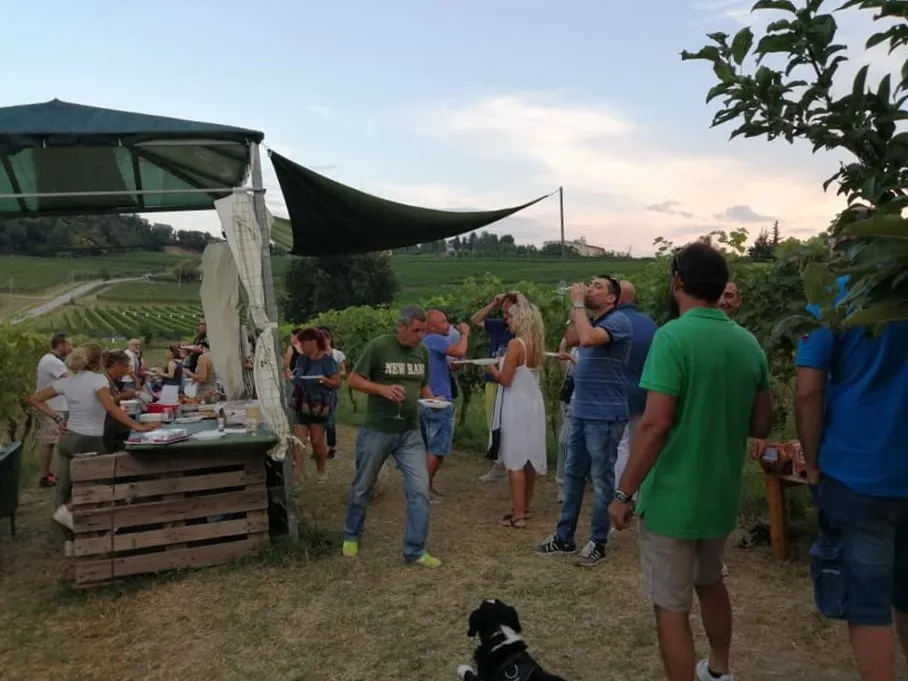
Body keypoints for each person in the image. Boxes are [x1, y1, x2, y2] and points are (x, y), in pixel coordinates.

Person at [608, 242, 772, 681]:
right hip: (720, 497)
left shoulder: (672, 337)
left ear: (678, 281)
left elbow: (655, 425)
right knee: (711, 581)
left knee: (671, 607)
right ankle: (719, 670)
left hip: (672, 500)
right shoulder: (747, 343)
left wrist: (623, 493)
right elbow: (761, 422)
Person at [795, 272, 908, 681]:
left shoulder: (835, 294)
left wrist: (811, 462)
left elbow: (809, 390)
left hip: (859, 472)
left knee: (868, 604)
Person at [536, 275, 631, 568]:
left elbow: (588, 339)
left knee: (601, 480)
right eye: (589, 284)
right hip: (581, 410)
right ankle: (564, 537)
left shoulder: (618, 321)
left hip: (605, 414)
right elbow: (573, 338)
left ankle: (598, 542)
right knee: (573, 475)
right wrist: (576, 310)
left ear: (612, 298)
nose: (590, 288)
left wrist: (578, 303)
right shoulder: (592, 320)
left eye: (598, 286)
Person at [342, 306, 440, 568]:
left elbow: (423, 386)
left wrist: (432, 401)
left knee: (420, 490)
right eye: (416, 330)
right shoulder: (379, 346)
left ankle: (415, 550)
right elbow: (353, 380)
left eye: (424, 331)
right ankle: (351, 535)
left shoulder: (422, 352)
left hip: (410, 432)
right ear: (401, 327)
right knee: (363, 485)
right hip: (378, 429)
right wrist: (381, 389)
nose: (421, 336)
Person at [26, 344, 157, 536]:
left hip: (67, 439)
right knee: (107, 481)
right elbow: (110, 407)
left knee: (65, 485)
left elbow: (34, 399)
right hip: (88, 438)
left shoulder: (67, 381)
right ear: (99, 361)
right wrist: (137, 426)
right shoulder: (98, 380)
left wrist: (57, 418)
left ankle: (67, 529)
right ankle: (81, 517)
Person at [488, 300, 547, 528]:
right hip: (534, 403)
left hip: (516, 405)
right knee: (529, 457)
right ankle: (525, 507)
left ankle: (518, 514)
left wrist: (493, 369)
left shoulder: (516, 344)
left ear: (520, 319)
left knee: (515, 457)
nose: (508, 321)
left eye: (511, 317)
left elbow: (506, 379)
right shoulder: (537, 345)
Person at [470, 292, 519, 483]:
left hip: (512, 382)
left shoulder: (521, 330)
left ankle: (507, 464)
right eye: (503, 307)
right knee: (494, 423)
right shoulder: (498, 325)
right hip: (493, 380)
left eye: (509, 307)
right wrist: (492, 303)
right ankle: (499, 463)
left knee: (509, 424)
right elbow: (475, 319)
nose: (504, 311)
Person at [422, 310, 470, 501]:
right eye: (443, 322)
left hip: (425, 399)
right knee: (438, 448)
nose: (447, 325)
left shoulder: (422, 342)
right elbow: (460, 352)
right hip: (440, 401)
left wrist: (448, 366)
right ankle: (424, 489)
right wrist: (465, 333)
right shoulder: (435, 339)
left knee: (427, 447)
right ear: (432, 327)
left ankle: (424, 487)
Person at [613, 280, 657, 490]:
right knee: (638, 446)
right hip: (644, 394)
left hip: (617, 394)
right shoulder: (649, 323)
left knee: (620, 447)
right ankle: (638, 491)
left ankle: (620, 492)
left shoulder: (613, 322)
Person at [290, 328, 341, 484]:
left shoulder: (328, 361)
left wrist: (324, 380)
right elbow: (297, 375)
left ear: (313, 342)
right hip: (302, 403)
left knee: (317, 442)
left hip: (319, 406)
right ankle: (295, 476)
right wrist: (292, 377)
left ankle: (321, 470)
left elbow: (337, 383)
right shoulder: (302, 359)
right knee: (298, 441)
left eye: (303, 343)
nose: (301, 346)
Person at [34, 333, 72, 487]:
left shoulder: (50, 360)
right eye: (69, 345)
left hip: (54, 405)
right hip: (52, 407)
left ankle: (48, 473)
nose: (71, 348)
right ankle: (44, 477)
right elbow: (70, 378)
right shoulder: (53, 361)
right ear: (61, 345)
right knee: (50, 442)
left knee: (51, 442)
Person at [554, 334, 579, 504]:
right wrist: (564, 349)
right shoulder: (576, 348)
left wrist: (571, 358)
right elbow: (566, 373)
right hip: (569, 397)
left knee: (566, 440)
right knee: (565, 441)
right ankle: (562, 483)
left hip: (580, 400)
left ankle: (566, 481)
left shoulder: (591, 348)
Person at [318, 326, 346, 460]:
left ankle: (332, 447)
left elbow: (343, 371)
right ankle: (319, 447)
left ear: (329, 339)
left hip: (332, 390)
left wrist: (332, 375)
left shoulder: (337, 354)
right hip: (318, 389)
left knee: (330, 420)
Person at [102, 350, 138, 453]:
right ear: (116, 365)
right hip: (105, 426)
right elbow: (104, 402)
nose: (127, 370)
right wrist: (122, 396)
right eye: (125, 366)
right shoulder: (103, 379)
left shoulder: (111, 380)